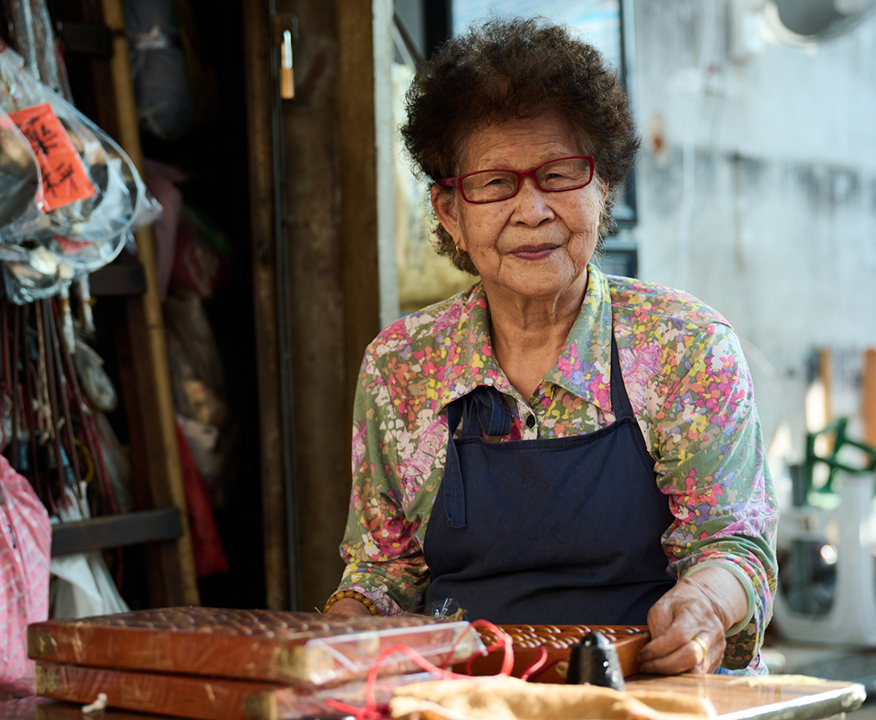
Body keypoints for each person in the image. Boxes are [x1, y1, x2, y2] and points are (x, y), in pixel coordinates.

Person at [323, 16, 778, 676]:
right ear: (450, 210)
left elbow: (733, 541)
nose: (531, 210)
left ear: (604, 187)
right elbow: (383, 573)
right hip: (468, 698)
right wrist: (340, 629)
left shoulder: (684, 348)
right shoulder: (401, 368)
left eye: (560, 174)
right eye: (494, 182)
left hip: (650, 692)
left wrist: (703, 609)